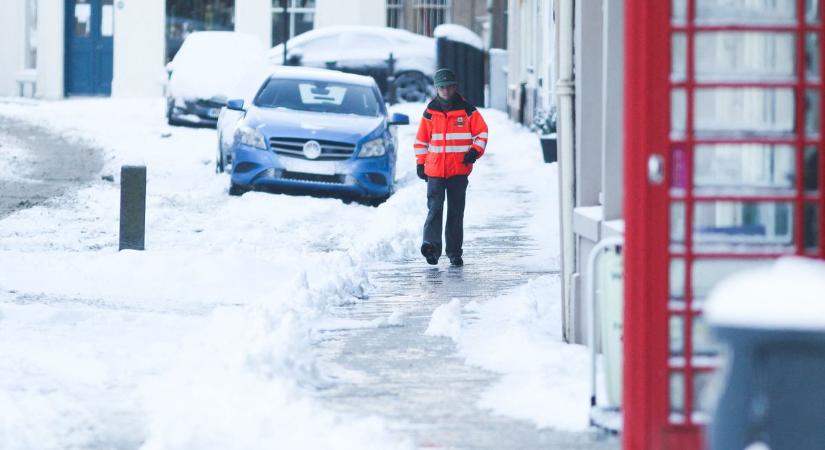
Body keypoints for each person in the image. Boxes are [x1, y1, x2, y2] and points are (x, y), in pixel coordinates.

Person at [413, 68, 488, 267]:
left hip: (459, 170)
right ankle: (431, 248)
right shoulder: (430, 112)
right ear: (437, 89)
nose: (445, 91)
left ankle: (454, 252)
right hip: (435, 170)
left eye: (449, 87)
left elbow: (482, 133)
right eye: (442, 87)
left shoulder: (467, 110)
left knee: (455, 212)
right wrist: (421, 163)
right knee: (435, 209)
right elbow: (421, 141)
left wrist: (474, 152)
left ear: (455, 87)